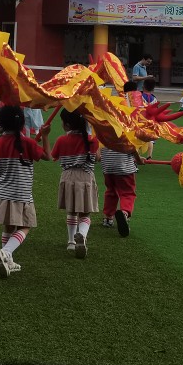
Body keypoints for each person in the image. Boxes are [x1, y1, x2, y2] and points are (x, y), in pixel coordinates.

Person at [0, 105, 48, 277]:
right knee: (26, 225)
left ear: (1, 123)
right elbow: (47, 156)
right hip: (21, 193)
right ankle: (6, 252)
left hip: (2, 191)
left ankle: (8, 260)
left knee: (8, 225)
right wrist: (45, 136)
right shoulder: (28, 143)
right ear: (22, 123)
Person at [51, 108, 100, 258]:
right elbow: (97, 158)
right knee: (85, 212)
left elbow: (54, 156)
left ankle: (71, 242)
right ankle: (82, 235)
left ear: (67, 124)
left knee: (71, 210)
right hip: (86, 177)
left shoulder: (61, 140)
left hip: (68, 176)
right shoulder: (92, 140)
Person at [99, 133, 138, 238]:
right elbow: (132, 149)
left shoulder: (103, 133)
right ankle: (124, 213)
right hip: (124, 168)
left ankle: (107, 217)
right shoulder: (125, 133)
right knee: (127, 193)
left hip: (108, 168)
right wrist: (139, 160)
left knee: (111, 191)